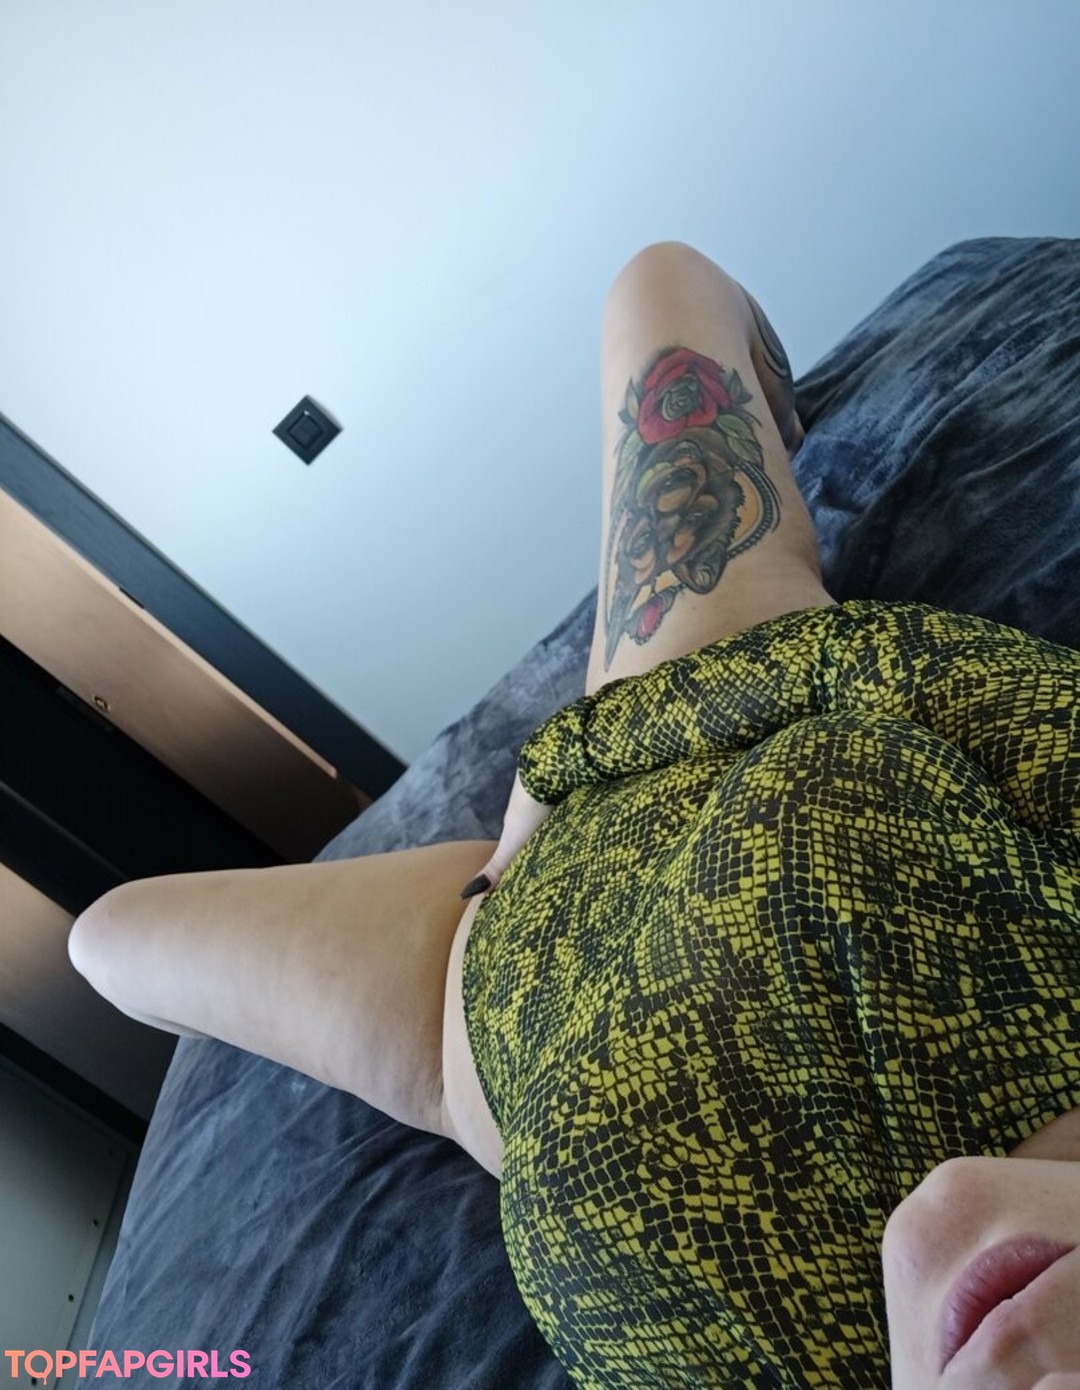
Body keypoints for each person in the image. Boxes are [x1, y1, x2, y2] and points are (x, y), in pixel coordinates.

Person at [68, 241, 1080, 1388]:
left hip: (470, 1009)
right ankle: (780, 409)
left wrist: (535, 828)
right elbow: (959, 686)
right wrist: (580, 756)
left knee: (103, 939)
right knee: (659, 281)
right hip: (699, 705)